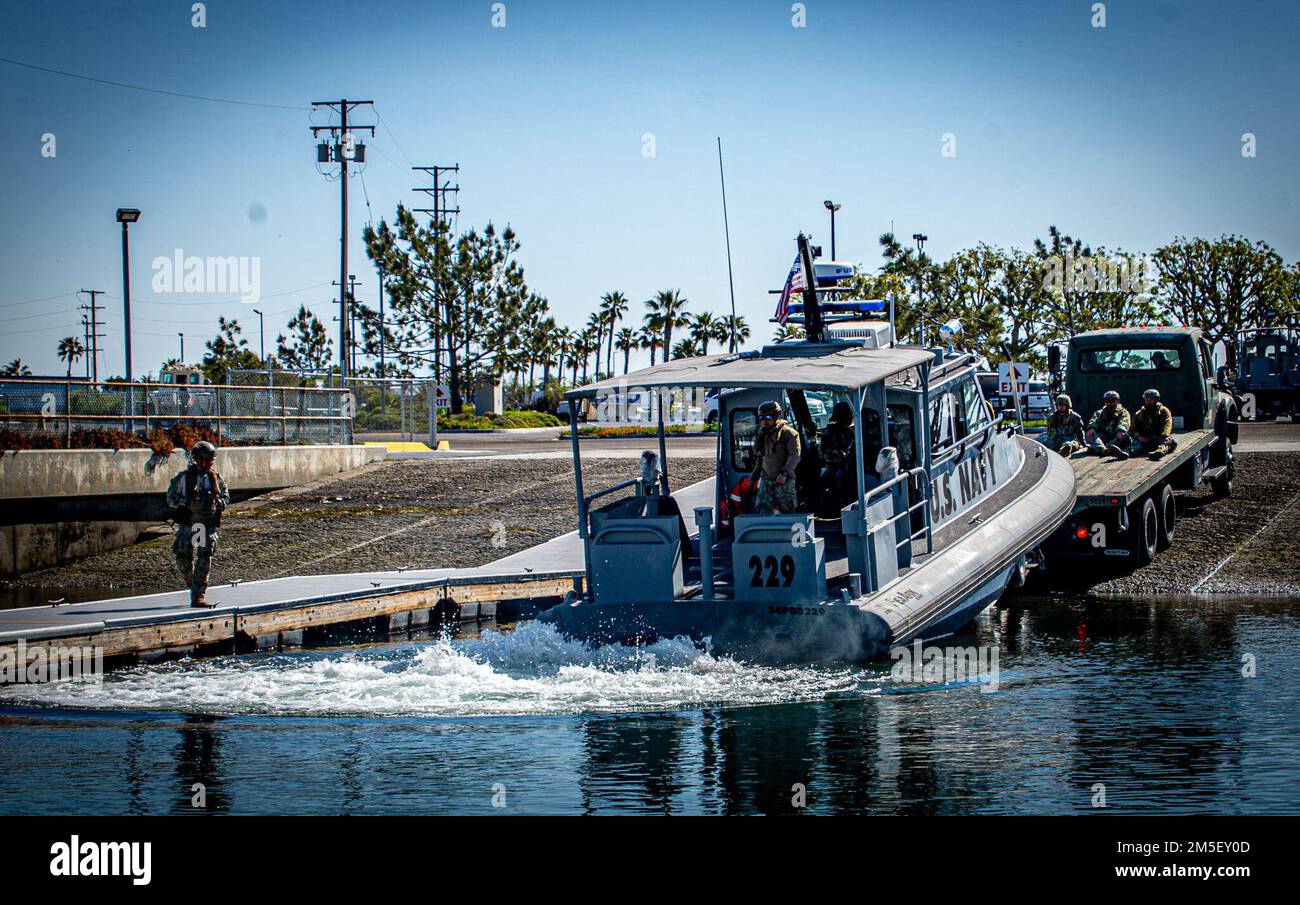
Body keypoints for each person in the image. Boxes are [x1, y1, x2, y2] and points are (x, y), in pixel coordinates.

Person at [166, 440, 229, 607]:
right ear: (197, 459)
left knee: (203, 557)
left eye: (210, 460)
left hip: (204, 525)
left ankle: (198, 594)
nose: (208, 463)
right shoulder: (184, 478)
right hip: (188, 523)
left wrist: (221, 501)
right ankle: (192, 584)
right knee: (183, 559)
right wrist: (183, 501)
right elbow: (170, 497)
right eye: (205, 460)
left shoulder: (214, 478)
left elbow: (225, 494)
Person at [750, 399, 801, 514]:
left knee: (788, 511)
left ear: (777, 416)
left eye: (767, 418)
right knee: (762, 510)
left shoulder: (789, 434)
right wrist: (754, 477)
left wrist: (785, 472)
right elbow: (760, 456)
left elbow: (795, 455)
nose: (764, 422)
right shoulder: (763, 435)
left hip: (784, 480)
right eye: (761, 418)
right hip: (766, 479)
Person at [817, 401, 857, 516]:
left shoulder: (847, 432)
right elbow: (825, 453)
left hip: (841, 469)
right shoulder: (837, 432)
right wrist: (838, 454)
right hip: (838, 471)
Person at [1115, 387, 1176, 459]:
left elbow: (1167, 424)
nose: (1147, 401)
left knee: (1167, 441)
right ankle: (1126, 453)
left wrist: (1164, 435)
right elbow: (1133, 429)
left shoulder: (1163, 411)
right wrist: (1139, 437)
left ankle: (1159, 452)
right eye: (1146, 399)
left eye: (1150, 399)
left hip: (1158, 437)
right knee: (1137, 445)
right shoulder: (1140, 413)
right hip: (1144, 438)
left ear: (1156, 400)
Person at [1085, 390, 1131, 456]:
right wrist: (1092, 428)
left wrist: (1121, 430)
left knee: (1125, 436)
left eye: (1111, 401)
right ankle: (1103, 450)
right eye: (1106, 401)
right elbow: (1094, 420)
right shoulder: (1100, 412)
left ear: (1117, 401)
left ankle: (1099, 449)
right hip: (1103, 437)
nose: (1109, 403)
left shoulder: (1123, 412)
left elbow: (1124, 421)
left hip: (1116, 436)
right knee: (1090, 434)